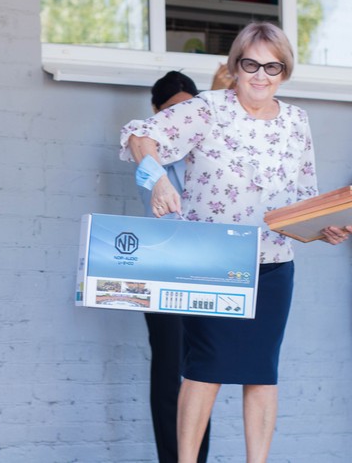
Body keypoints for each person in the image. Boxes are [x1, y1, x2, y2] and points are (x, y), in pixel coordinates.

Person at [120, 21, 352, 463]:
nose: (261, 75)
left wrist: (325, 228)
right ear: (236, 66)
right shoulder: (207, 108)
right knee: (204, 369)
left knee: (262, 373)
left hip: (274, 263)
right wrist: (157, 181)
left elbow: (303, 198)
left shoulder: (296, 121)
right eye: (251, 64)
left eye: (272, 66)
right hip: (210, 259)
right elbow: (139, 136)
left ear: (285, 71)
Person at [140, 71, 211, 463]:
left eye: (188, 110)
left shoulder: (209, 149)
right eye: (171, 111)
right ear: (156, 112)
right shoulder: (151, 158)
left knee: (202, 375)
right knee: (169, 373)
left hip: (205, 272)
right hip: (163, 271)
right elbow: (171, 209)